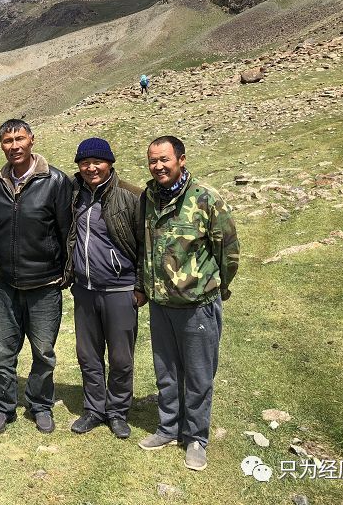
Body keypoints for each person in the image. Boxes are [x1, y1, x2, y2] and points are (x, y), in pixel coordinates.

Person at [138, 136, 239, 471]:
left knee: (198, 376)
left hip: (198, 305)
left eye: (164, 159)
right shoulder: (148, 197)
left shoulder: (206, 198)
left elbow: (229, 250)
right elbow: (146, 248)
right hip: (160, 304)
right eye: (153, 161)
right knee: (166, 373)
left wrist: (218, 287)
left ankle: (196, 437)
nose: (158, 166)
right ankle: (168, 428)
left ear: (181, 159)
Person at [0, 119, 73, 434]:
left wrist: (66, 273)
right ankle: (3, 407)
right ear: (1, 145)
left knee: (43, 352)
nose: (14, 146)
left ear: (31, 140)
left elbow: (67, 230)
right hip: (4, 284)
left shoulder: (55, 181)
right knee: (1, 352)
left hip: (45, 285)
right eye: (7, 141)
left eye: (19, 138)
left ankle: (40, 404)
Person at [63, 137, 145, 439]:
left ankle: (118, 412)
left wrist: (140, 286)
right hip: (84, 289)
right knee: (88, 355)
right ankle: (95, 409)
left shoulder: (131, 196)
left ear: (110, 162)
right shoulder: (74, 194)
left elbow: (145, 246)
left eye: (97, 161)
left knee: (121, 358)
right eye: (85, 162)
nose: (91, 167)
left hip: (121, 290)